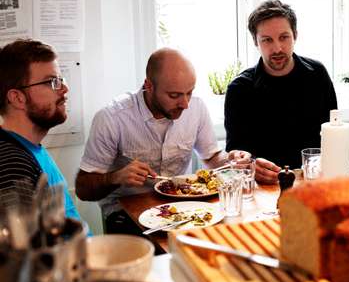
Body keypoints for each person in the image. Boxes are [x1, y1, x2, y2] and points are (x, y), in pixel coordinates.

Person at [75, 48, 251, 234]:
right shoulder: (112, 117)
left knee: (230, 235)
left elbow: (212, 158)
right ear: (149, 86)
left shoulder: (196, 108)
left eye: (189, 92)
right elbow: (83, 189)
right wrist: (115, 177)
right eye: (174, 96)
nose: (185, 104)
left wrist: (231, 161)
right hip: (125, 213)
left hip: (183, 207)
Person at [224, 0, 337, 183]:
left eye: (284, 37)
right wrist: (250, 164)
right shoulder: (239, 89)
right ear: (255, 42)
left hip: (312, 181)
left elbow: (332, 131)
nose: (277, 48)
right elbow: (236, 153)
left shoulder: (317, 74)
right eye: (267, 40)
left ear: (295, 36)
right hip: (263, 186)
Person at [0, 39, 82, 221]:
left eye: (60, 80)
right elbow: (26, 248)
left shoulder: (29, 148)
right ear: (17, 98)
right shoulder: (12, 164)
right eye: (51, 82)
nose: (64, 89)